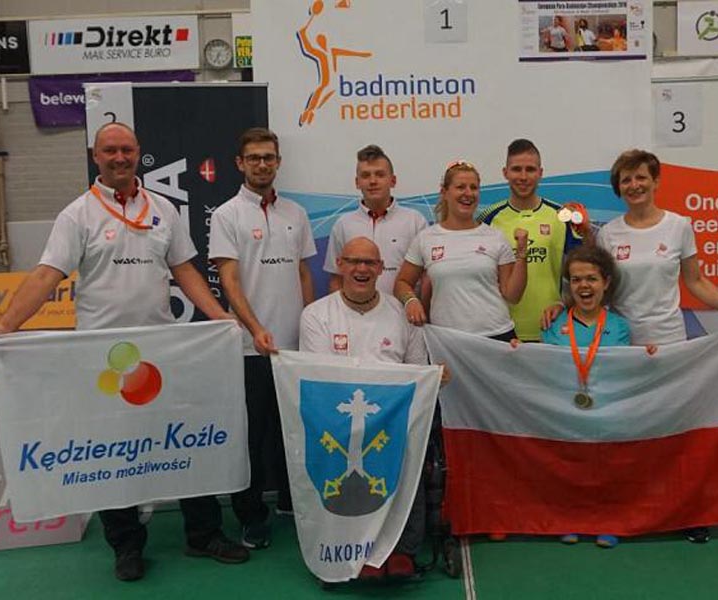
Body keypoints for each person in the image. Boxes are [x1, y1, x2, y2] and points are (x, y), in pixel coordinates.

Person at [0, 122, 249, 581]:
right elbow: (47, 275)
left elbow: (185, 269)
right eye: (110, 150)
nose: (119, 157)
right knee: (110, 451)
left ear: (138, 152)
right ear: (96, 155)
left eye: (126, 149)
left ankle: (203, 534)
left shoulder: (163, 209)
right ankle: (126, 546)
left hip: (161, 352)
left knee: (185, 439)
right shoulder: (78, 215)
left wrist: (219, 316)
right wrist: (4, 328)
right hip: (103, 359)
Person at [596, 148, 718, 544]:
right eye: (626, 180)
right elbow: (598, 291)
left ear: (655, 181)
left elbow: (696, 282)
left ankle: (687, 512)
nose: (634, 185)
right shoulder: (607, 234)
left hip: (670, 345)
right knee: (626, 434)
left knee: (676, 434)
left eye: (641, 177)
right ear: (618, 188)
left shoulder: (678, 226)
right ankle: (623, 513)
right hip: (623, 349)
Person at [301, 236, 442, 579]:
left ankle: (403, 549)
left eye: (369, 262)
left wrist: (435, 376)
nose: (361, 269)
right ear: (340, 265)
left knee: (411, 448)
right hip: (338, 424)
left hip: (393, 421)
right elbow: (321, 378)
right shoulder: (316, 315)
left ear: (381, 269)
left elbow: (416, 372)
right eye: (353, 261)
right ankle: (350, 547)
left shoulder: (402, 314)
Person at [209, 127, 316, 550]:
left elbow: (303, 273)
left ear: (278, 162)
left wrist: (311, 329)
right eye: (253, 158)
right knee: (252, 437)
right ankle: (251, 517)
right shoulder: (226, 215)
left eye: (268, 157)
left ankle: (292, 501)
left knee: (294, 431)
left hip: (293, 348)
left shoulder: (296, 213)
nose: (261, 164)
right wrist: (255, 329)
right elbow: (229, 280)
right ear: (240, 163)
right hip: (248, 348)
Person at [539, 245, 630, 548]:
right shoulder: (553, 324)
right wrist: (517, 354)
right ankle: (569, 518)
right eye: (576, 280)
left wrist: (649, 357)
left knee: (606, 468)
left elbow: (625, 370)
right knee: (566, 466)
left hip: (606, 413)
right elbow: (540, 369)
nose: (584, 286)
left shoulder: (619, 327)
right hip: (564, 412)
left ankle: (608, 521)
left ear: (606, 282)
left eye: (591, 278)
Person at [394, 161, 528, 342]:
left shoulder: (495, 237)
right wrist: (411, 300)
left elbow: (513, 296)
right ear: (444, 192)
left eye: (474, 188)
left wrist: (522, 253)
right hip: (448, 341)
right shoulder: (426, 238)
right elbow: (402, 283)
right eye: (460, 187)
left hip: (497, 336)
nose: (468, 193)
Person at [479, 139, 590, 342]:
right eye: (516, 169)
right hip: (501, 330)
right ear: (505, 172)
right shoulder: (488, 218)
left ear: (540, 172)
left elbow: (587, 271)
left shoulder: (561, 216)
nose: (523, 177)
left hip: (551, 330)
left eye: (530, 169)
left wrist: (564, 304)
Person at [324, 144, 427, 294]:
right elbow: (337, 279)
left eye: (380, 174)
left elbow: (426, 278)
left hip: (403, 308)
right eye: (366, 175)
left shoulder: (415, 222)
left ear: (393, 180)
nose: (373, 181)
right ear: (357, 182)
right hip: (355, 309)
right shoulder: (343, 225)